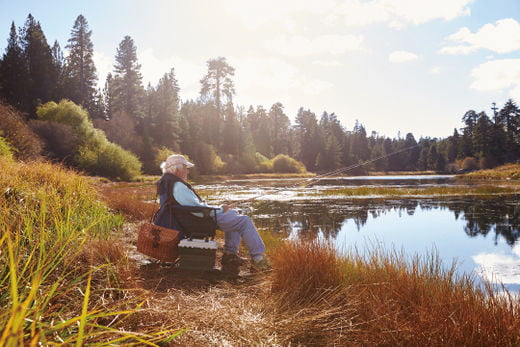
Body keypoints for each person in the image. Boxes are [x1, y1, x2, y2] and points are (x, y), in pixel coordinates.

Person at [155, 154, 271, 273]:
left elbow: (193, 207)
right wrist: (220, 209)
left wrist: (221, 209)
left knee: (234, 214)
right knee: (244, 221)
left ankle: (230, 255)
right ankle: (258, 259)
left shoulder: (169, 183)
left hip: (192, 219)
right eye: (185, 167)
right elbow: (198, 210)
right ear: (177, 168)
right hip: (200, 221)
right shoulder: (178, 186)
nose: (188, 171)